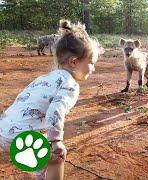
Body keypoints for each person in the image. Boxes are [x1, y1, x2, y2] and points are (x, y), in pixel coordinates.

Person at [0, 19, 104, 180]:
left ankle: (37, 173)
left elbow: (22, 100)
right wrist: (56, 141)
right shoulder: (70, 84)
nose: (94, 68)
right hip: (20, 137)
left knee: (40, 157)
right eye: (91, 63)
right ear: (74, 61)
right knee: (57, 157)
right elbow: (54, 113)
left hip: (4, 131)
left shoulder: (45, 78)